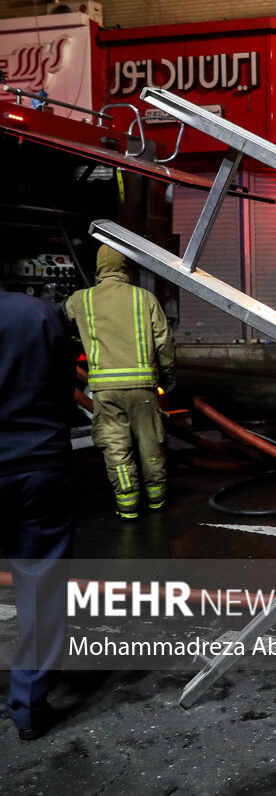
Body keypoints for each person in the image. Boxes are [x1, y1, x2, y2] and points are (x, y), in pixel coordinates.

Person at [0, 286, 76, 740]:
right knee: (42, 586)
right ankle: (29, 706)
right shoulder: (40, 313)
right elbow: (64, 382)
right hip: (40, 463)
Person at [64, 245, 176, 519]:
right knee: (150, 443)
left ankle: (127, 506)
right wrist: (169, 375)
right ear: (125, 267)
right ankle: (157, 501)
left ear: (99, 269)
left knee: (115, 447)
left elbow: (58, 326)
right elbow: (164, 343)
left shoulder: (80, 300)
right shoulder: (144, 298)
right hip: (144, 389)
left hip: (105, 391)